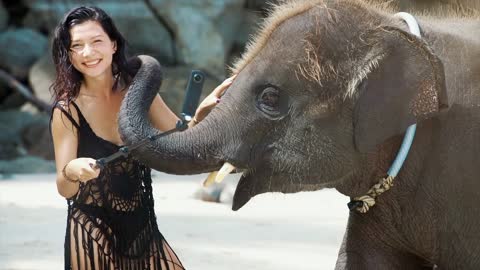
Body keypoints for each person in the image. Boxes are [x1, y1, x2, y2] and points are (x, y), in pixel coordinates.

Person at [49, 6, 233, 270]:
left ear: (113, 44)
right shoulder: (67, 110)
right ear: (68, 54)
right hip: (91, 229)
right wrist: (72, 171)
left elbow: (181, 138)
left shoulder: (136, 90)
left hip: (142, 224)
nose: (87, 53)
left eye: (96, 41)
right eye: (76, 46)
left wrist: (202, 112)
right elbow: (63, 188)